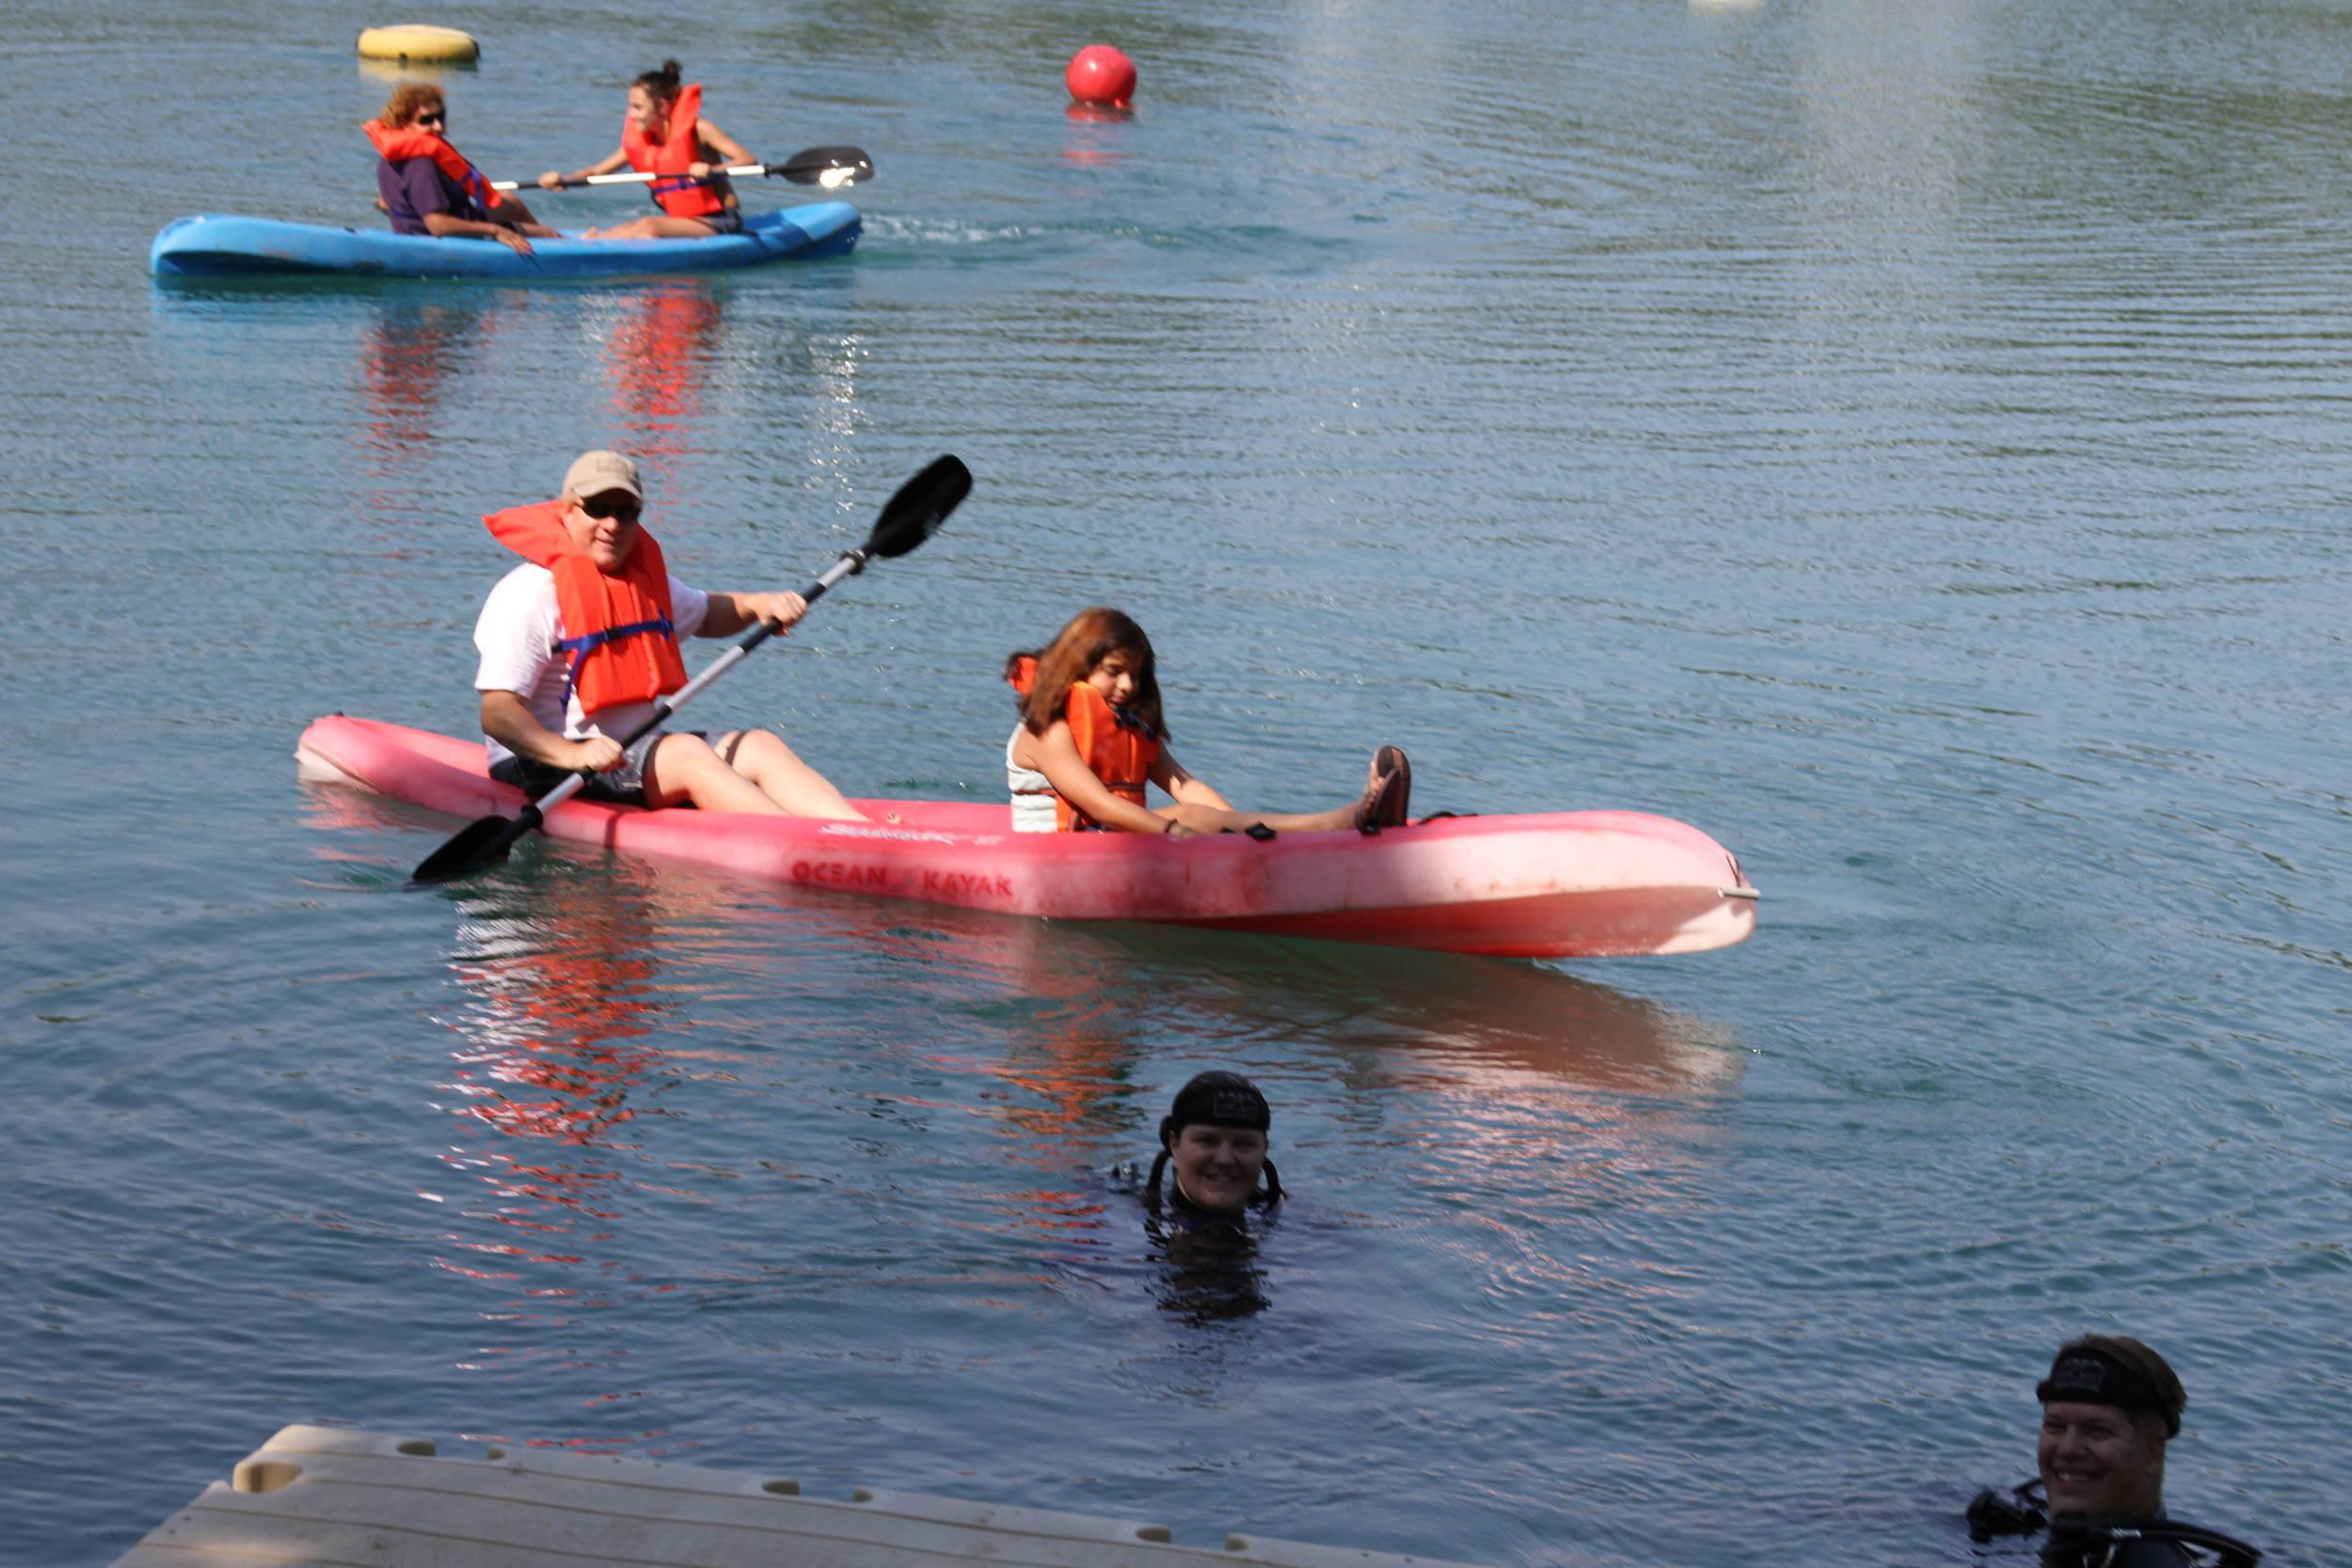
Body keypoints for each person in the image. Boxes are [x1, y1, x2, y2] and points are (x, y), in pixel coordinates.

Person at [473, 450, 869, 819]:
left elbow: (707, 614)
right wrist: (570, 756)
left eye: (626, 512)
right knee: (685, 754)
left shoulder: (641, 583)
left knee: (759, 745)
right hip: (544, 763)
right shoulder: (529, 593)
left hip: (633, 753)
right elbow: (498, 713)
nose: (612, 524)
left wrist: (758, 605)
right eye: (597, 509)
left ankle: (859, 833)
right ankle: (805, 847)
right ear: (567, 513)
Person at [1004, 609, 1411, 839]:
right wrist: (1174, 831)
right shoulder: (1047, 731)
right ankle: (1337, 822)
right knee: (1191, 818)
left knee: (1197, 809)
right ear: (1078, 666)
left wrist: (1240, 829)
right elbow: (1098, 804)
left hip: (1110, 845)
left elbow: (1184, 784)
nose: (1128, 685)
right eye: (1115, 671)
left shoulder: (1126, 726)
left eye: (1137, 674)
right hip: (1056, 857)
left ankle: (1299, 833)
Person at [1966, 1336, 2260, 1567]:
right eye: (2055, 1426)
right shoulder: (2037, 1522)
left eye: (2097, 1431)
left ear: (2153, 1452)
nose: (2067, 1449)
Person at [537, 59, 751, 238]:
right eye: (630, 106)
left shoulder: (699, 130)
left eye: (638, 107)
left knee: (649, 226)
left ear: (662, 107)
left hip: (721, 221)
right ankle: (590, 241)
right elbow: (595, 173)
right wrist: (563, 180)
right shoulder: (644, 142)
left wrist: (711, 170)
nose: (631, 114)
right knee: (627, 228)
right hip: (683, 221)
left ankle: (591, 245)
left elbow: (747, 160)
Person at [365, 83, 556, 252]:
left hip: (426, 226)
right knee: (549, 235)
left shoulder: (391, 155)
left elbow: (391, 201)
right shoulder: (422, 165)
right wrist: (497, 231)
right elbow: (437, 225)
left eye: (441, 116)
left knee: (509, 202)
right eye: (427, 120)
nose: (438, 126)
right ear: (404, 124)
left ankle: (537, 247)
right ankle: (545, 249)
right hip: (439, 239)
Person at [1141, 1071, 1284, 1215]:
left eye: (1244, 1144)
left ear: (1264, 1150)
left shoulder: (1300, 1219)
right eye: (1206, 1141)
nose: (1225, 1160)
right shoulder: (1125, 1218)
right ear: (1175, 1146)